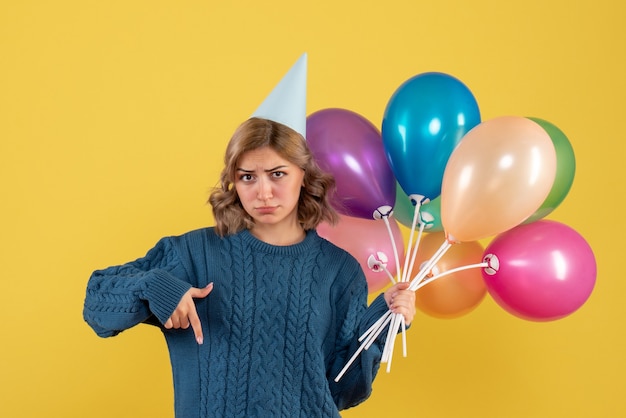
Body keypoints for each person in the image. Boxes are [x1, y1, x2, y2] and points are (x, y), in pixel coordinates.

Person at [83, 56, 416, 418]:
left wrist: (384, 319)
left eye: (277, 174)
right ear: (233, 181)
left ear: (303, 175)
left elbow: (341, 391)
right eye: (247, 177)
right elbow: (97, 307)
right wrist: (157, 287)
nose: (264, 193)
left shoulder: (340, 272)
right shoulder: (194, 255)